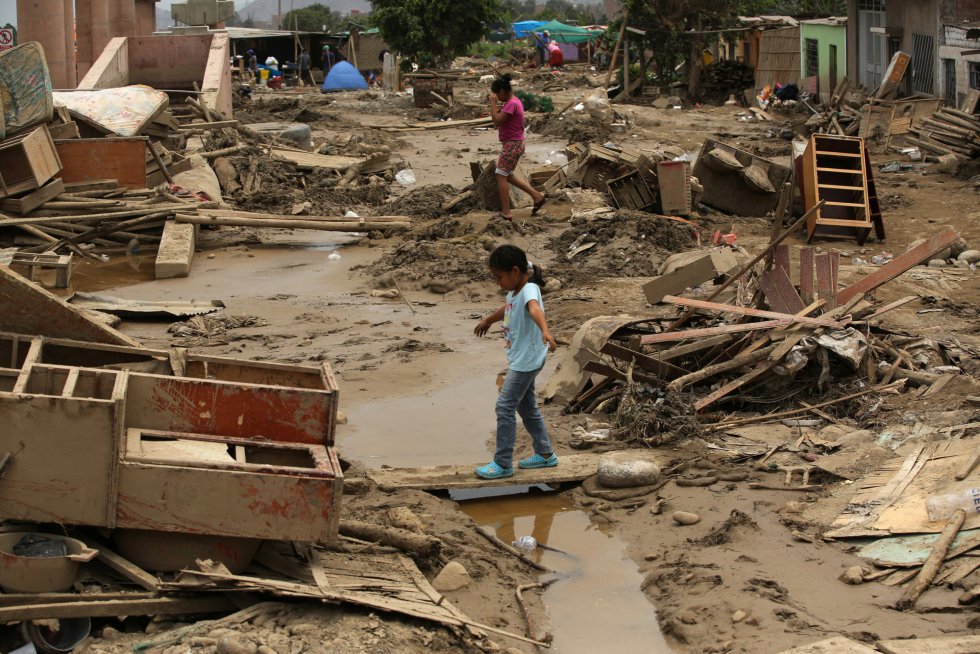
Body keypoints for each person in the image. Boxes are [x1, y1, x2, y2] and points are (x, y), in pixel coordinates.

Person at [473, 245, 558, 480]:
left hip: (526, 361)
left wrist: (546, 331)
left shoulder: (529, 289)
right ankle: (544, 454)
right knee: (527, 407)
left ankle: (502, 464)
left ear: (515, 271)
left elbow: (534, 309)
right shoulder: (515, 291)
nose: (497, 282)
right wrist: (489, 320)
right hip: (523, 358)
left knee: (504, 406)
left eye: (499, 277)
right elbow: (509, 307)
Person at [487, 75, 546, 221]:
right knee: (508, 175)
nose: (497, 97)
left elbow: (497, 122)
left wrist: (493, 104)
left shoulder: (511, 104)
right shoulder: (514, 101)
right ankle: (537, 196)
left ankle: (506, 212)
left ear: (501, 91)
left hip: (512, 144)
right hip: (516, 143)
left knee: (500, 175)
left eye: (497, 95)